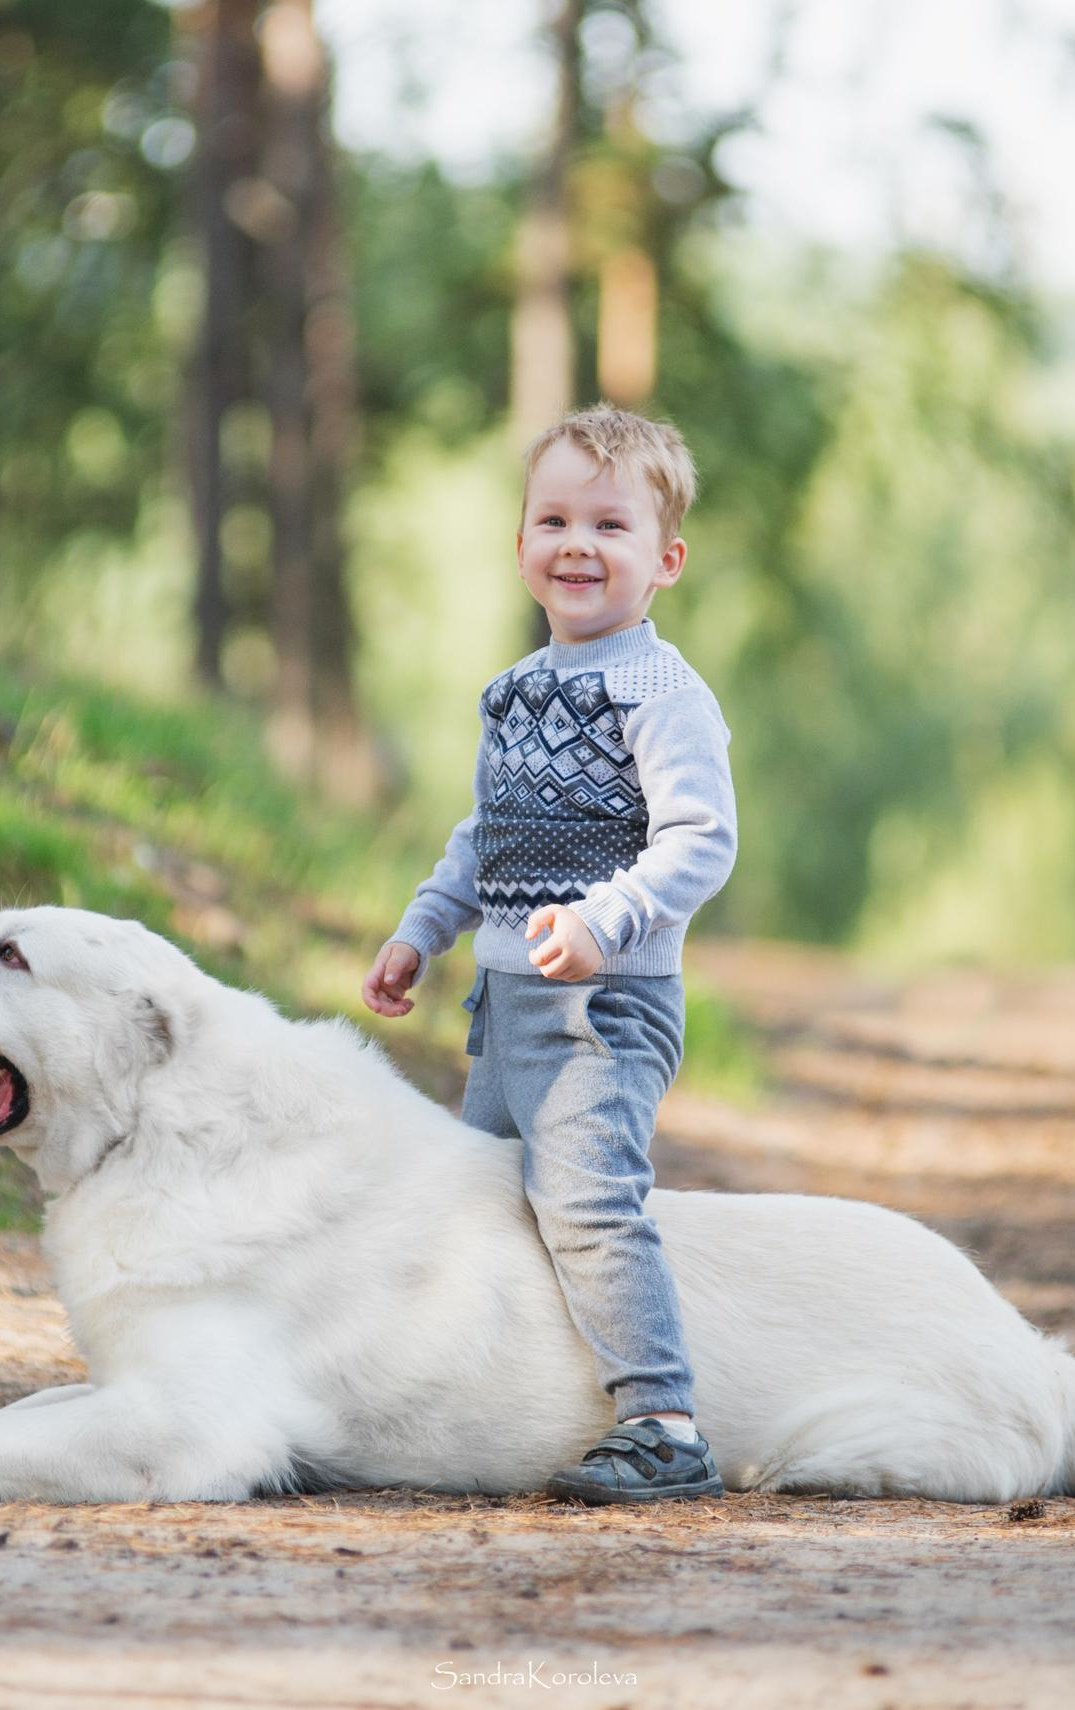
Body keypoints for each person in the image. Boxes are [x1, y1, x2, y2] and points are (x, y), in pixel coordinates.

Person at [361, 404, 738, 1504]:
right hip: (506, 1010)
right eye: (555, 520)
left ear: (664, 561)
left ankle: (663, 1420)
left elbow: (701, 840)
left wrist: (605, 920)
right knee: (475, 1200)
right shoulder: (518, 691)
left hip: (602, 1012)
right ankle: (467, 1395)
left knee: (586, 1204)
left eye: (610, 527)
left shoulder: (661, 693)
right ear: (522, 543)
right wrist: (424, 929)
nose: (579, 544)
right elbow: (488, 834)